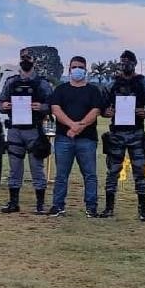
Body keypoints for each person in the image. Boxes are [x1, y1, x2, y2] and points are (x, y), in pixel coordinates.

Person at [101, 50, 145, 220]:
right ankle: (109, 208)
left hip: (136, 134)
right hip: (116, 133)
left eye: (128, 62)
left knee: (139, 172)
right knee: (113, 171)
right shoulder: (112, 84)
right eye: (122, 62)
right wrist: (106, 112)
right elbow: (102, 105)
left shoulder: (143, 84)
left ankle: (143, 211)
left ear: (134, 64)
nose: (125, 65)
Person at [0, 52, 53, 214]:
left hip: (34, 130)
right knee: (14, 168)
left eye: (28, 58)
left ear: (34, 61)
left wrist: (42, 107)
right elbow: (0, 103)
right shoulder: (11, 82)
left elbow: (53, 105)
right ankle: (13, 203)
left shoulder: (42, 83)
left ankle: (40, 205)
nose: (25, 61)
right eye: (23, 58)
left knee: (37, 167)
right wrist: (4, 106)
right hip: (15, 129)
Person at [49, 56, 103, 217]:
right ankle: (58, 206)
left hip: (87, 140)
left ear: (85, 70)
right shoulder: (61, 89)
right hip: (63, 139)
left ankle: (91, 207)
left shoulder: (93, 91)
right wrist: (72, 125)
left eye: (80, 67)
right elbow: (56, 110)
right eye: (74, 67)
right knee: (61, 175)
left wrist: (79, 127)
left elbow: (95, 111)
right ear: (69, 69)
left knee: (90, 175)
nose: (77, 70)